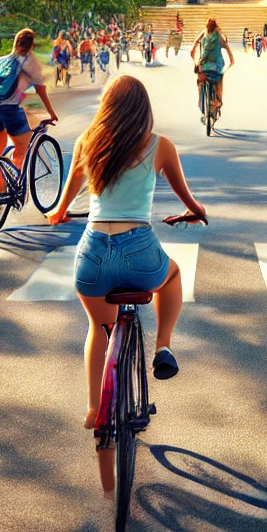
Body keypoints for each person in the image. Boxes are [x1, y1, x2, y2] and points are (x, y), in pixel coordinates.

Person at [46, 75, 207, 490]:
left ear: (107, 106)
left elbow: (65, 201)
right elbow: (186, 197)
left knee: (98, 329)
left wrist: (60, 213)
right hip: (139, 250)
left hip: (94, 252)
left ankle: (93, 408)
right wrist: (196, 210)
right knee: (171, 276)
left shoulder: (87, 143)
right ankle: (163, 347)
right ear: (144, 109)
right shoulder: (160, 146)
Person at [0, 28, 58, 192]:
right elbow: (40, 90)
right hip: (9, 109)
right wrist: (51, 113)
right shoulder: (30, 62)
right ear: (32, 46)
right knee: (22, 146)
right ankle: (14, 185)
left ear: (15, 43)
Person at [191, 17, 234, 118]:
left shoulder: (203, 34)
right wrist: (231, 62)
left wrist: (195, 62)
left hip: (204, 67)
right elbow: (228, 50)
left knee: (200, 82)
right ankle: (218, 101)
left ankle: (200, 101)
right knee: (219, 82)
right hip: (217, 67)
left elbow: (193, 50)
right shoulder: (219, 36)